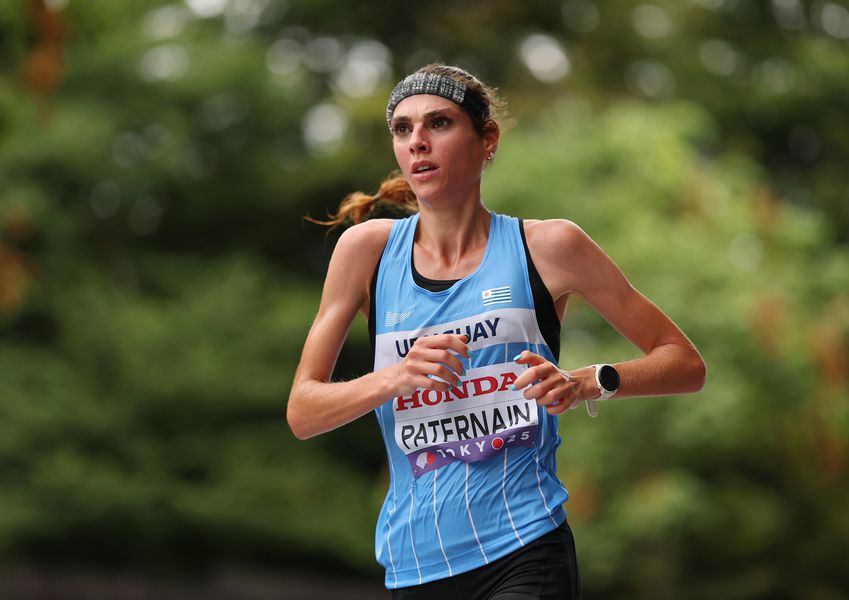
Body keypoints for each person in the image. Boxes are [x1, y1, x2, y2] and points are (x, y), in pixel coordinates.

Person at [287, 64, 706, 599]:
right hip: (413, 563)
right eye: (402, 128)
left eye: (439, 123)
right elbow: (303, 410)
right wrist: (393, 379)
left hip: (524, 546)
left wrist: (586, 382)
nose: (418, 142)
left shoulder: (549, 246)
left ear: (487, 141)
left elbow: (685, 363)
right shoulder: (366, 253)